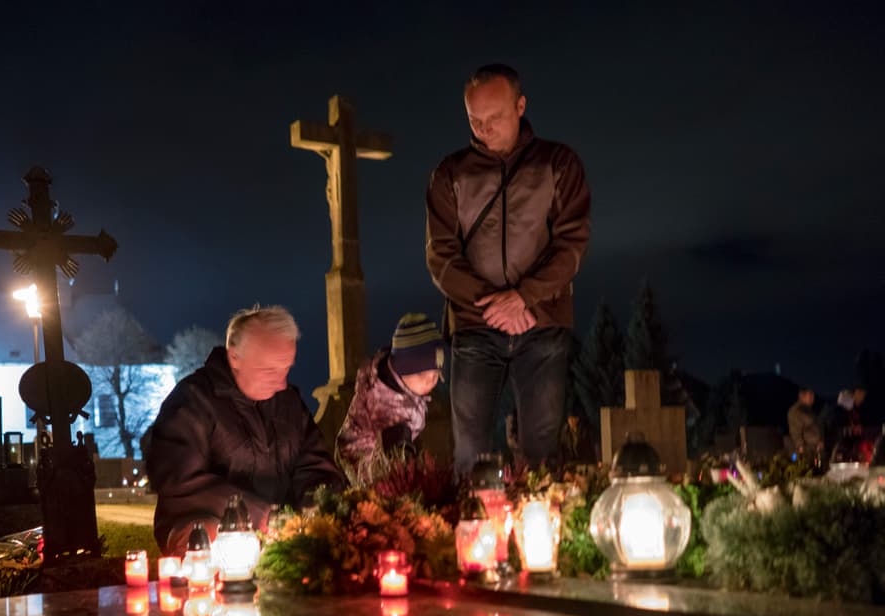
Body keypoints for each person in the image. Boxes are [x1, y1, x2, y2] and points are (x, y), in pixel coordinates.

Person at [426, 63, 591, 474]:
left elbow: (571, 245)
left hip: (542, 321)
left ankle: (541, 531)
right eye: (474, 121)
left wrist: (523, 298)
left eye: (494, 118)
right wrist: (494, 305)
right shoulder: (450, 175)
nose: (484, 129)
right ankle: (474, 533)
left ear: (520, 106)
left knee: (540, 450)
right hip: (474, 324)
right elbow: (440, 256)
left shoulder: (559, 164)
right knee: (470, 455)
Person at [146, 305, 344, 554]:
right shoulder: (194, 400)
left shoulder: (289, 403)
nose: (281, 382)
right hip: (210, 533)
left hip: (282, 533)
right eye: (269, 370)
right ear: (235, 358)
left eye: (286, 369)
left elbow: (315, 467)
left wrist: (314, 509)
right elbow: (178, 479)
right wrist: (258, 515)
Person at [336, 313, 445, 480]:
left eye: (435, 374)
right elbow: (398, 452)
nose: (429, 382)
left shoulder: (405, 387)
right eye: (422, 374)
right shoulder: (388, 407)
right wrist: (414, 478)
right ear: (402, 370)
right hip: (362, 466)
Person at [786, 387, 822, 459]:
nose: (813, 398)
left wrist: (819, 441)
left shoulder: (809, 411)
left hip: (815, 450)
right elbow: (796, 432)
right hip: (806, 451)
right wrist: (801, 449)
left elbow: (815, 428)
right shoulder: (796, 412)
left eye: (813, 395)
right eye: (810, 395)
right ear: (802, 396)